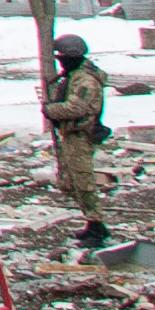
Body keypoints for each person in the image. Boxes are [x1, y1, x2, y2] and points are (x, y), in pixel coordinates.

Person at [45, 32, 111, 243]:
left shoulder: (85, 80)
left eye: (62, 57)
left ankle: (96, 226)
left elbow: (76, 108)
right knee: (67, 182)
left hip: (81, 135)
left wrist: (51, 110)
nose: (60, 61)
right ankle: (92, 221)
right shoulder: (74, 75)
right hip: (70, 134)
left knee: (83, 182)